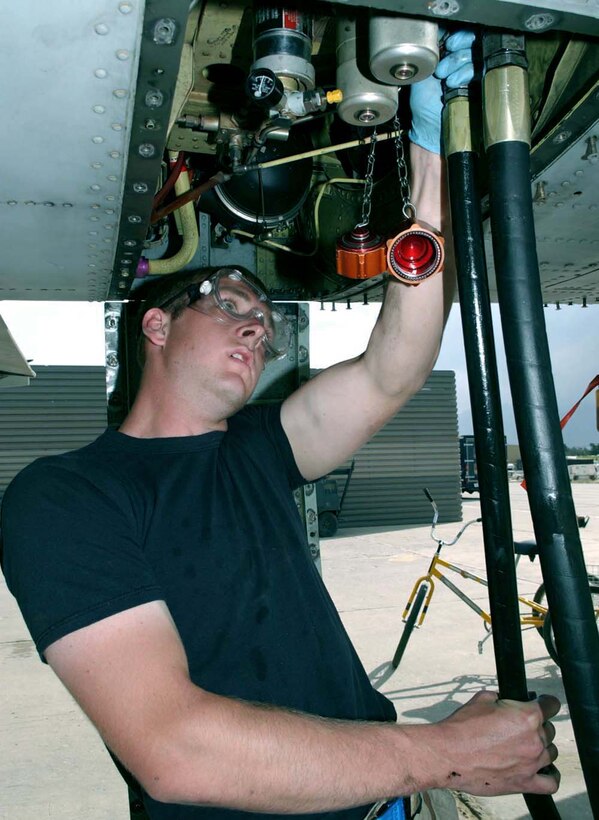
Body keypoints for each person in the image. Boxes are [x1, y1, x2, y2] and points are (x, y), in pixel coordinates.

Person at [1, 31, 559, 820]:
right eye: (230, 303)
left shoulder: (261, 448)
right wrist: (446, 753)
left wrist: (430, 163)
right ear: (155, 327)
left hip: (382, 801)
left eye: (263, 324)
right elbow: (174, 751)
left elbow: (392, 369)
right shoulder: (64, 496)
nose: (257, 327)